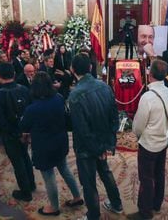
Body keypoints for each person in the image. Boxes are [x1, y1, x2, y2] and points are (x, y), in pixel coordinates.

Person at [19, 72, 83, 216]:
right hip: (60, 141)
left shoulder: (32, 109)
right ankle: (77, 197)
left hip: (43, 147)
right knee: (65, 169)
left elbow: (23, 126)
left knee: (49, 177)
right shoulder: (59, 98)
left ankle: (54, 207)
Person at [69, 53, 123, 220]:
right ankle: (117, 204)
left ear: (72, 70)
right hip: (101, 143)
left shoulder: (75, 95)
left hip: (87, 147)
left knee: (89, 182)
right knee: (105, 172)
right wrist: (107, 144)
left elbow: (82, 130)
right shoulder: (104, 86)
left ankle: (93, 216)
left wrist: (99, 148)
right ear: (91, 68)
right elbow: (115, 117)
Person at [128, 59, 168, 220]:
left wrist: (141, 136)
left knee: (146, 178)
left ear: (150, 74)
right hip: (163, 140)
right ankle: (156, 204)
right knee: (159, 173)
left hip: (149, 144)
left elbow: (138, 126)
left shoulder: (147, 97)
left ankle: (145, 212)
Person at [0, 63, 35, 202]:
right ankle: (32, 184)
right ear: (14, 74)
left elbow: (0, 120)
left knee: (18, 162)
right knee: (25, 157)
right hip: (25, 131)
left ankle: (26, 191)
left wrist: (14, 134)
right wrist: (26, 132)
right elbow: (30, 110)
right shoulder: (23, 88)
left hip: (11, 134)